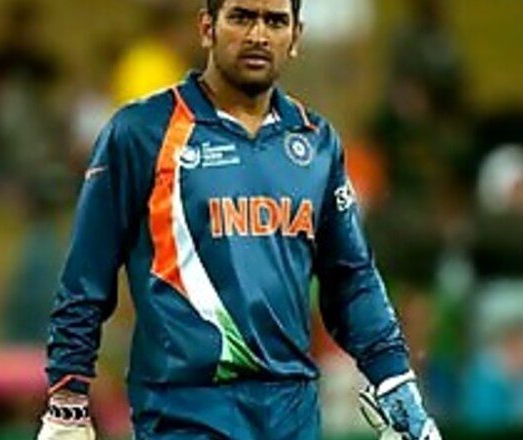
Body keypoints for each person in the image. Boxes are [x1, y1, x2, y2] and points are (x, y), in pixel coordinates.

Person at [37, 1, 441, 439]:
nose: (258, 35)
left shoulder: (317, 142)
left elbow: (351, 279)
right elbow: (86, 277)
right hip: (184, 412)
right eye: (242, 17)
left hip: (292, 414)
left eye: (275, 21)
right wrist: (67, 398)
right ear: (206, 27)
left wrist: (395, 380)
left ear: (296, 36)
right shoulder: (142, 132)